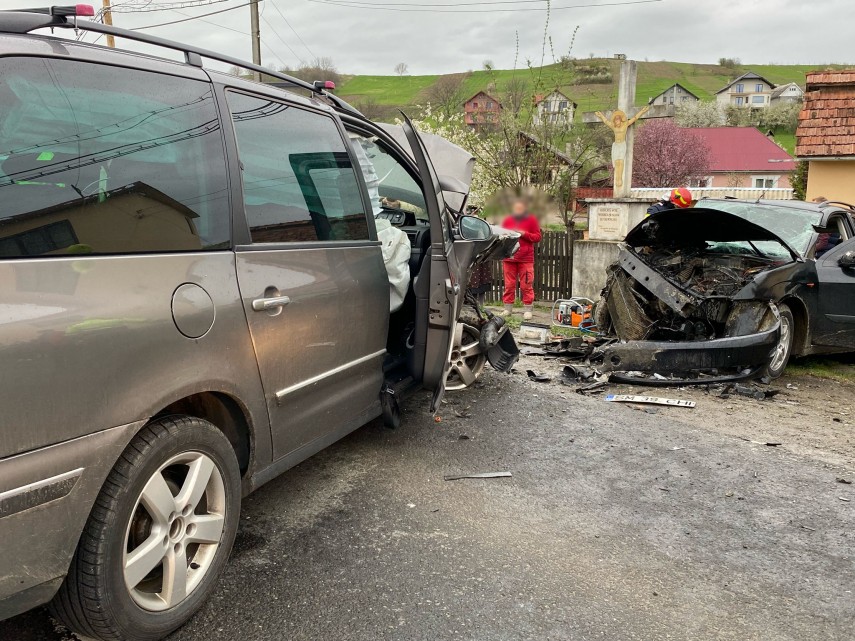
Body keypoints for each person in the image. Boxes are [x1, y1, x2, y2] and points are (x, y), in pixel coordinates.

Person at [501, 198, 541, 320]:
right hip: (509, 257)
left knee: (526, 284)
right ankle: (507, 309)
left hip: (526, 258)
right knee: (509, 284)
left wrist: (524, 234)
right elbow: (502, 235)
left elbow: (537, 237)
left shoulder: (532, 220)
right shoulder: (507, 220)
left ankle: (528, 308)